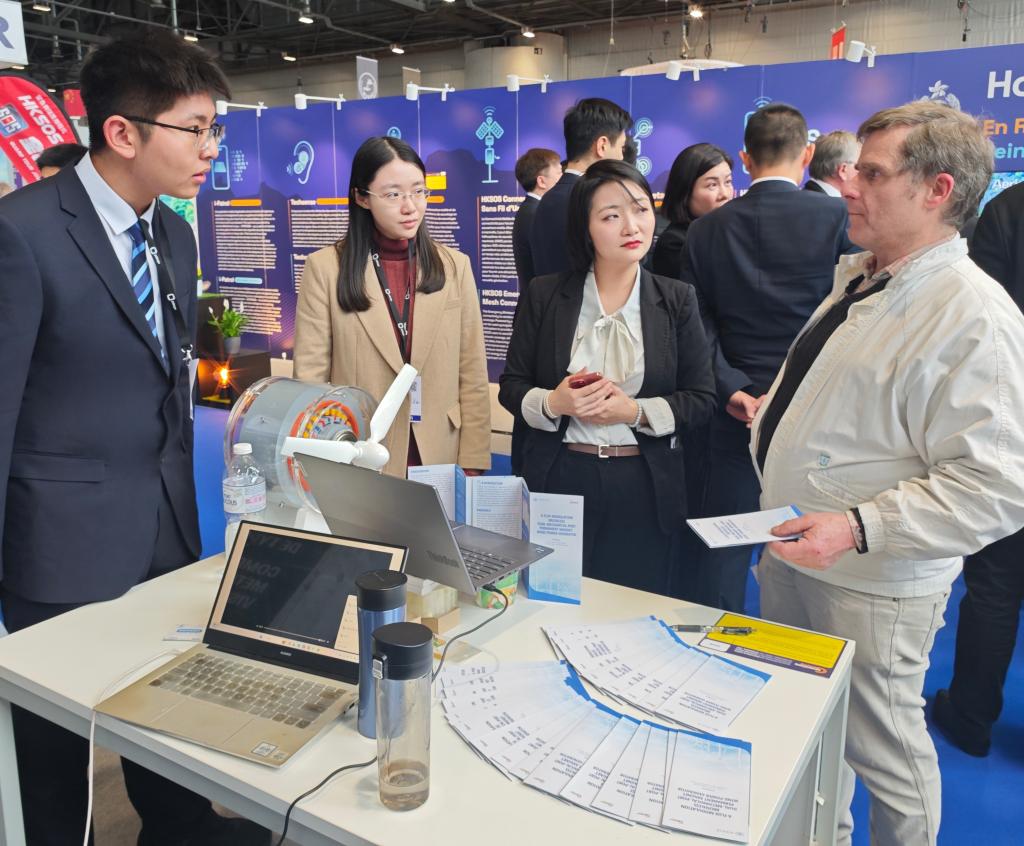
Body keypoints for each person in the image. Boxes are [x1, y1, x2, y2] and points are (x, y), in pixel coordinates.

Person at [0, 30, 270, 846]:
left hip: (166, 524)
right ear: (122, 132)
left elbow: (172, 371)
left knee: (166, 700)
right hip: (59, 541)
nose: (211, 149)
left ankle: (180, 828)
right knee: (54, 752)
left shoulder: (174, 234)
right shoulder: (22, 232)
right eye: (196, 129)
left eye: (215, 129)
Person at [754, 101, 1024, 846]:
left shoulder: (972, 314)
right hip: (798, 551)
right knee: (809, 728)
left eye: (871, 174)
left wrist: (857, 527)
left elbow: (998, 485)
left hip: (868, 582)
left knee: (888, 754)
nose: (848, 185)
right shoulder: (868, 279)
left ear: (937, 190)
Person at [499, 160, 716, 595]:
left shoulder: (676, 299)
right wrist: (554, 403)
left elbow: (701, 398)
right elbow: (512, 385)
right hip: (560, 475)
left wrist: (633, 411)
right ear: (586, 228)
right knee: (551, 600)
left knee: (631, 606)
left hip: (643, 482)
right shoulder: (546, 294)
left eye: (640, 209)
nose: (632, 227)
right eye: (611, 216)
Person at [682, 103, 853, 613]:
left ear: (744, 158)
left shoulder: (705, 230)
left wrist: (732, 386)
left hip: (732, 410)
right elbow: (851, 315)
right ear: (807, 154)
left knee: (725, 546)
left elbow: (697, 327)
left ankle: (713, 641)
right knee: (812, 547)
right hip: (817, 413)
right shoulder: (837, 217)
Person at [294, 136, 491, 479]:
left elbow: (472, 371)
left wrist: (473, 460)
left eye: (418, 191)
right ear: (361, 197)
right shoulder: (326, 269)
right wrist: (321, 462)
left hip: (440, 448)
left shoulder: (454, 266)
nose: (410, 206)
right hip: (361, 453)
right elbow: (311, 380)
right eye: (393, 195)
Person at [931, 179, 1024, 757]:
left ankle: (970, 717)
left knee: (995, 582)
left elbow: (976, 317)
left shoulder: (1010, 209)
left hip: (1012, 417)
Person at [651, 142, 733, 598]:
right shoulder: (678, 242)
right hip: (686, 384)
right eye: (710, 184)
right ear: (686, 190)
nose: (723, 193)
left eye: (727, 181)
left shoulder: (714, 234)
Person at [529, 97, 633, 278]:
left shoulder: (547, 200)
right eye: (621, 148)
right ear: (602, 146)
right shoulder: (593, 199)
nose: (621, 158)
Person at [512, 147, 561, 294]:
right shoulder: (536, 214)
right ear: (541, 181)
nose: (563, 179)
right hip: (540, 301)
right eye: (559, 173)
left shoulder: (531, 210)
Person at [804, 130, 859, 196]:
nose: (861, 174)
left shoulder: (797, 196)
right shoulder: (835, 203)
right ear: (843, 170)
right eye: (858, 167)